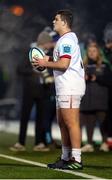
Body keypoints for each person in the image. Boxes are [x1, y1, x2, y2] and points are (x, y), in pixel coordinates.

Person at [32, 9, 85, 170]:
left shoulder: (66, 40)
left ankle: (76, 159)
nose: (53, 21)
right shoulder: (64, 40)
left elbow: (64, 64)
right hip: (64, 86)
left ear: (64, 22)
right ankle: (65, 157)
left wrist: (44, 63)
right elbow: (60, 60)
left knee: (71, 122)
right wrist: (46, 59)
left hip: (70, 86)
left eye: (56, 19)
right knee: (62, 123)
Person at [9, 31, 53, 152]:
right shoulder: (31, 53)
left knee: (41, 117)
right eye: (49, 41)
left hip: (44, 91)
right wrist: (33, 71)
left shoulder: (50, 54)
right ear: (44, 42)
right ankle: (20, 142)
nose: (51, 44)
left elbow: (52, 72)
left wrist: (49, 78)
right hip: (29, 90)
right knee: (25, 117)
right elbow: (19, 69)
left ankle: (39, 143)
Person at [80, 44, 109, 152]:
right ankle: (89, 143)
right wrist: (83, 78)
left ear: (98, 53)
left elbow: (109, 81)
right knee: (89, 123)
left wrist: (97, 78)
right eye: (90, 51)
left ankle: (105, 143)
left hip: (101, 100)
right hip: (87, 99)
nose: (92, 53)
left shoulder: (104, 66)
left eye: (94, 51)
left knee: (103, 123)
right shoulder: (83, 65)